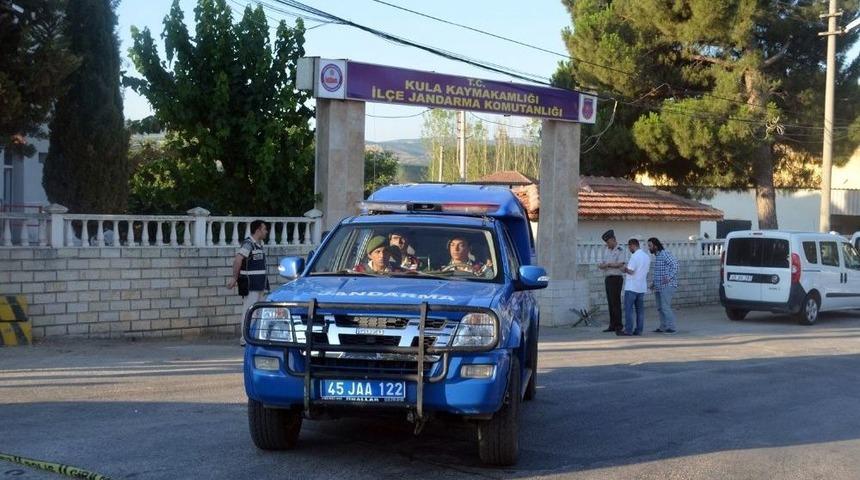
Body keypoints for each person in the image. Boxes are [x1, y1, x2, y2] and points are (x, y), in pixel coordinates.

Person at [228, 220, 270, 343]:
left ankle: (254, 337)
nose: (266, 232)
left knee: (258, 313)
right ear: (258, 230)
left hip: (260, 285)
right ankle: (245, 339)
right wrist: (234, 278)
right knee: (249, 311)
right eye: (264, 229)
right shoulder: (248, 244)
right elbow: (238, 260)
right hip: (251, 285)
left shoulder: (258, 245)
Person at [597, 229, 626, 334]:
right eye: (606, 243)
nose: (607, 244)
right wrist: (607, 264)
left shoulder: (620, 250)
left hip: (616, 278)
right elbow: (600, 264)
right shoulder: (606, 250)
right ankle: (612, 325)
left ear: (613, 240)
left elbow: (620, 264)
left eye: (608, 242)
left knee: (616, 303)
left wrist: (608, 265)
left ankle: (619, 325)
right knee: (610, 303)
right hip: (608, 278)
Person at [648, 237, 679, 334]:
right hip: (658, 286)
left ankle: (672, 327)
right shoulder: (658, 256)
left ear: (656, 246)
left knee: (665, 307)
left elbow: (675, 265)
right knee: (660, 308)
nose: (649, 248)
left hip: (667, 285)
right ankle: (663, 327)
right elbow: (659, 271)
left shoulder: (665, 254)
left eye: (650, 246)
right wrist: (654, 283)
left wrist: (669, 277)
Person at [620, 238, 650, 336]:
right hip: (641, 287)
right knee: (640, 311)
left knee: (629, 310)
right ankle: (639, 330)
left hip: (632, 287)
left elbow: (631, 271)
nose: (629, 248)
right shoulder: (646, 256)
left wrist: (624, 269)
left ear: (633, 245)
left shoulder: (634, 256)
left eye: (629, 246)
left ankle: (628, 330)